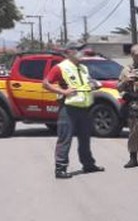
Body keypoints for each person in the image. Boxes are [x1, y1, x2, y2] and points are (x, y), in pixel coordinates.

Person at [42, 42, 105, 179]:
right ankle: (60, 168)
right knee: (65, 139)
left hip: (85, 107)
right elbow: (45, 84)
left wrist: (94, 85)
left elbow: (86, 82)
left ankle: (88, 165)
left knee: (85, 139)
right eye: (78, 50)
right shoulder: (61, 67)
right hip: (69, 108)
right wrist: (63, 91)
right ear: (69, 52)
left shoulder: (83, 68)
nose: (81, 52)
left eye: (81, 50)